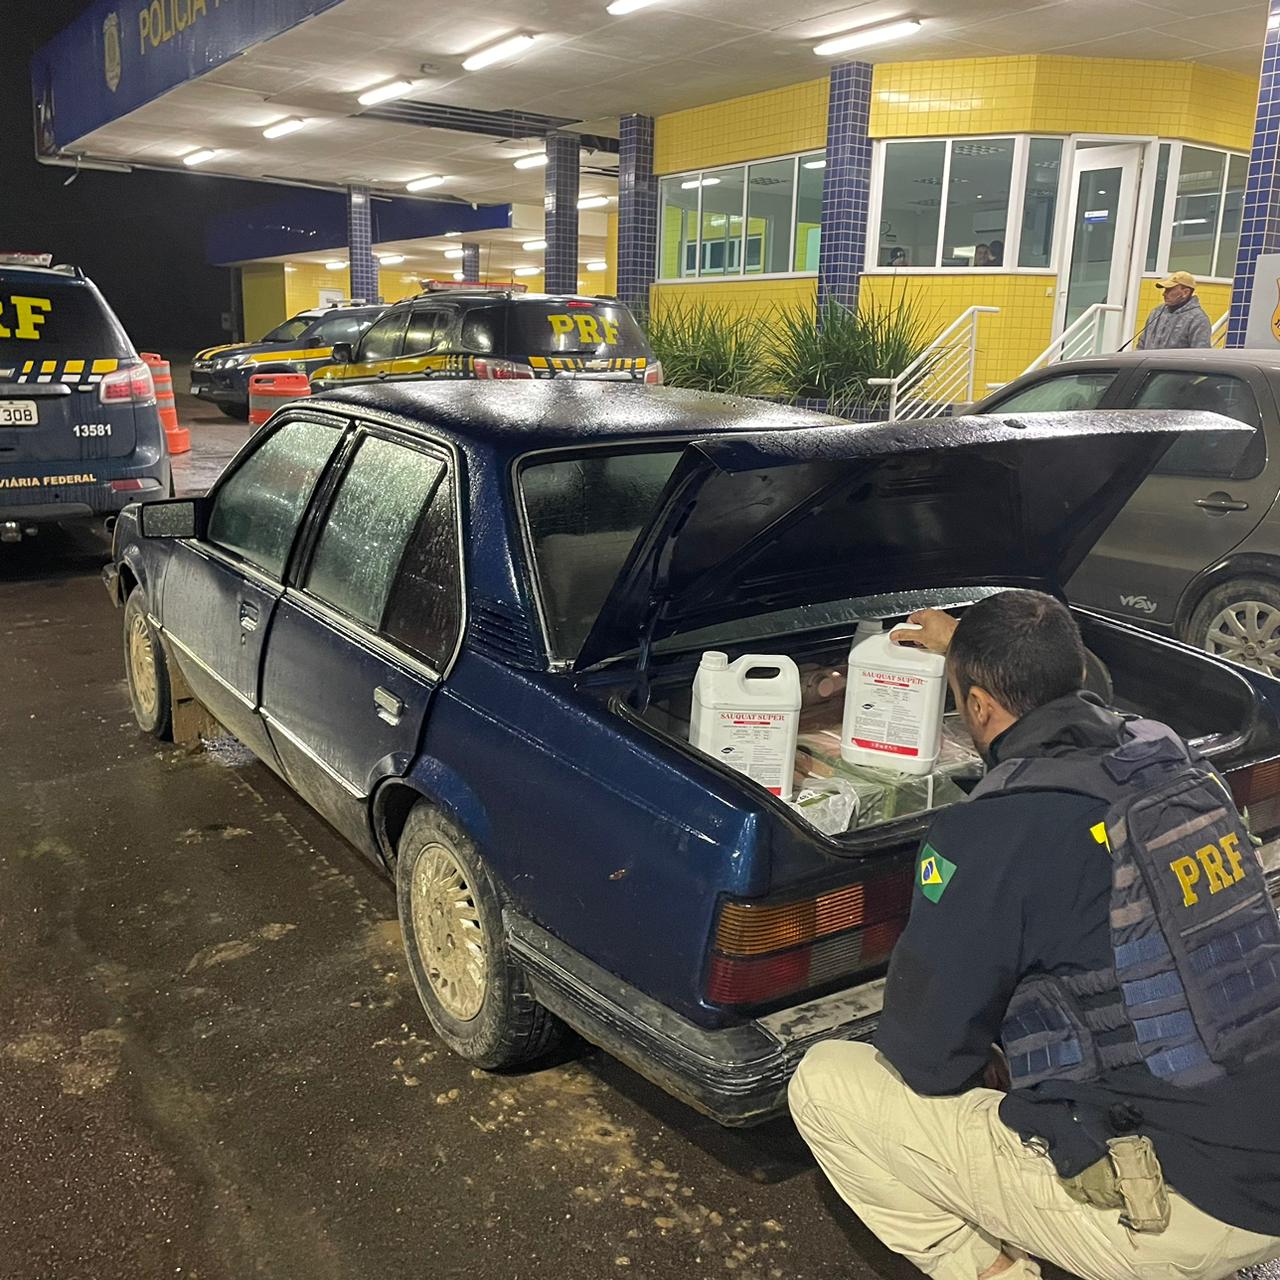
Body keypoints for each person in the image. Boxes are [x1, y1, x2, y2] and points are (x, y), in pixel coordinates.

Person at [789, 590, 1280, 1280]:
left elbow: (928, 1060)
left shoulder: (999, 830)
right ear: (1075, 674)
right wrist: (969, 649)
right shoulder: (1169, 762)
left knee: (826, 1085)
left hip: (1184, 1209)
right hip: (1262, 1151)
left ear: (978, 706)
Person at [1137, 271, 1212, 349]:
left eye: (1169, 290)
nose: (1164, 294)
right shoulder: (1156, 312)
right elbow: (1141, 344)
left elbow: (1200, 353)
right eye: (1165, 289)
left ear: (1185, 292)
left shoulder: (1198, 319)